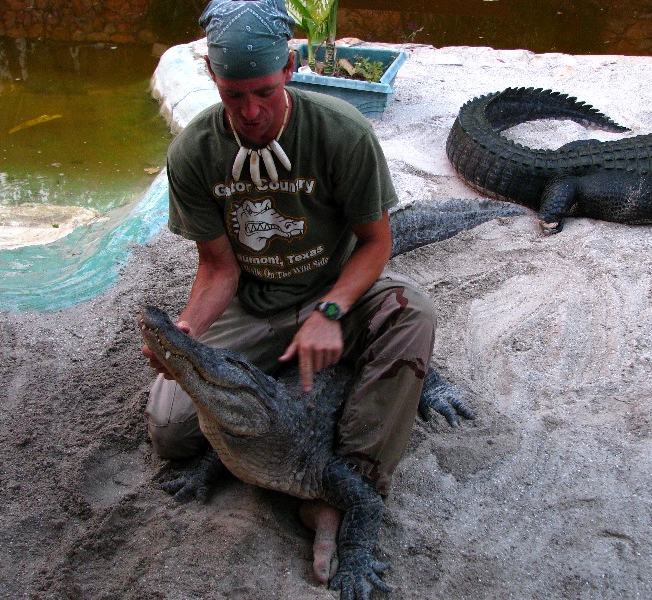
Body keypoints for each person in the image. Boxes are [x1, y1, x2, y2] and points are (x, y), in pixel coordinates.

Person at [141, 0, 436, 584]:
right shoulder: (195, 152)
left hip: (336, 288)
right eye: (233, 95)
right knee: (170, 430)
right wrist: (186, 335)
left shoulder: (342, 130)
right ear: (213, 82)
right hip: (255, 302)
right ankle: (367, 377)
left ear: (291, 68)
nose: (250, 111)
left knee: (415, 314)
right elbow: (218, 268)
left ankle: (349, 480)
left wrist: (331, 309)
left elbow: (377, 244)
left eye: (264, 92)